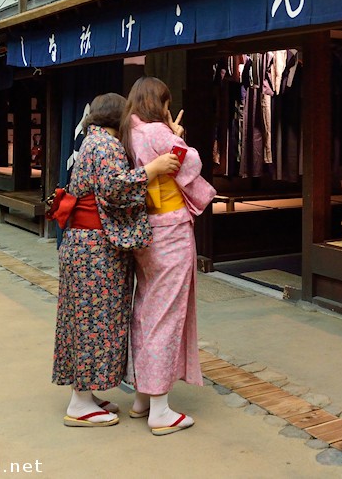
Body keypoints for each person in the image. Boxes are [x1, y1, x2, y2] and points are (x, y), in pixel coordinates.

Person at [51, 93, 180, 427]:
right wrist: (153, 168)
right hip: (95, 250)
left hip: (84, 245)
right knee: (95, 321)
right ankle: (79, 403)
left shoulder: (92, 141)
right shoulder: (106, 146)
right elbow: (114, 188)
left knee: (84, 320)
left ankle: (85, 395)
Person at [121, 76, 216, 436]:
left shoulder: (129, 132)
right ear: (157, 102)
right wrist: (176, 135)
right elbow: (189, 163)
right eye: (164, 101)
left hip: (146, 228)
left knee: (147, 307)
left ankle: (143, 396)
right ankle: (159, 407)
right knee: (166, 312)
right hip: (170, 228)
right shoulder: (157, 131)